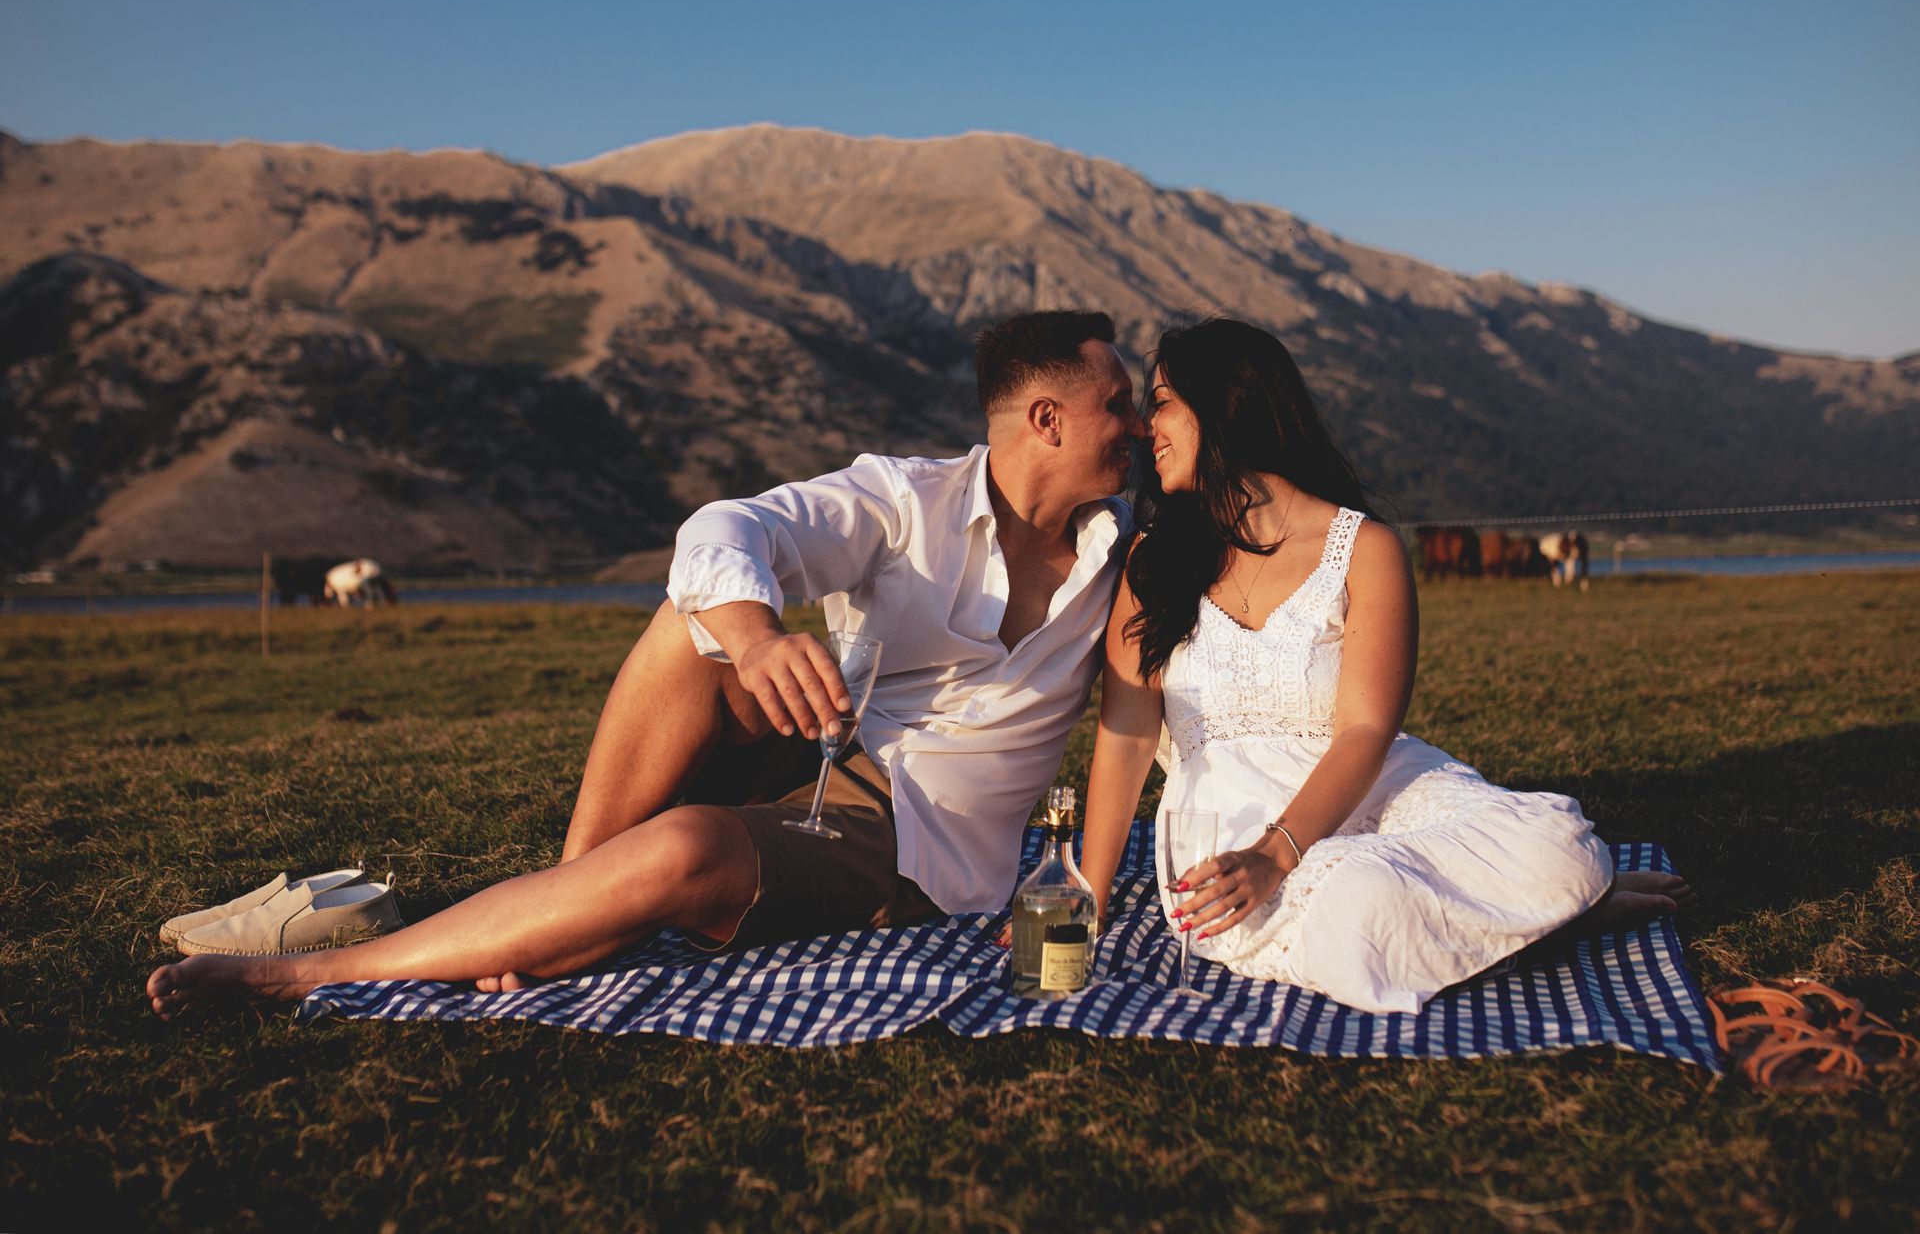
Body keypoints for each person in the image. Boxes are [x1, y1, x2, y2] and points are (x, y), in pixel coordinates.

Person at [146, 309, 1144, 1017]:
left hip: (926, 854)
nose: (1137, 426)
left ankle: (322, 972)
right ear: (1047, 421)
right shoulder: (903, 499)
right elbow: (723, 528)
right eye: (1119, 404)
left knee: (686, 849)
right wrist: (756, 636)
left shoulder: (1125, 554)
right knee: (692, 621)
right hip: (832, 763)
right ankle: (570, 902)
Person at [1078, 317, 1690, 1014]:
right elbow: (1124, 737)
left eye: (1160, 401)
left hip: (1369, 784)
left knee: (1561, 848)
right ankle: (1538, 920)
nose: (1143, 426)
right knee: (1356, 906)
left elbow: (1367, 728)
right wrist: (1087, 899)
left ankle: (1540, 903)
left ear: (1222, 405)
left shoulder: (1365, 548)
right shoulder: (1155, 558)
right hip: (1233, 827)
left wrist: (1282, 852)